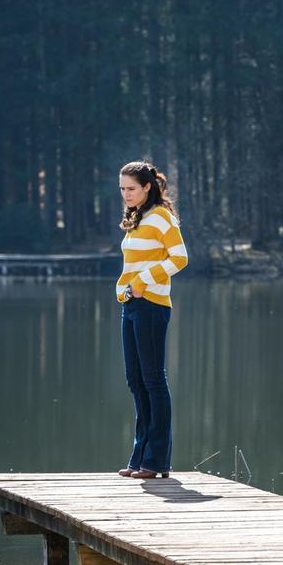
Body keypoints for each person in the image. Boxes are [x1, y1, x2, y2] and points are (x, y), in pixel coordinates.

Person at [115, 160, 188, 479]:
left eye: (131, 188)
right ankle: (140, 456)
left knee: (153, 379)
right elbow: (131, 263)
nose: (126, 194)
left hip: (153, 305)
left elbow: (180, 258)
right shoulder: (136, 218)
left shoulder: (160, 217)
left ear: (147, 187)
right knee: (135, 379)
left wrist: (144, 280)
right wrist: (123, 287)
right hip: (131, 305)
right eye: (122, 189)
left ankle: (157, 460)